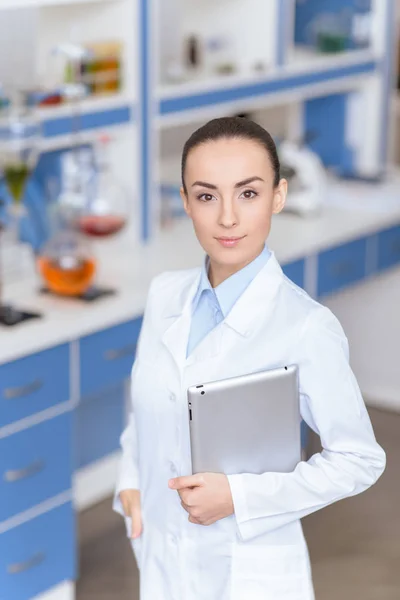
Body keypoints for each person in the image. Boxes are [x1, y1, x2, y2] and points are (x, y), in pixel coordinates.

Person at [113, 116, 386, 600]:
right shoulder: (163, 296)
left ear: (278, 196)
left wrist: (238, 497)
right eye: (206, 195)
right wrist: (131, 482)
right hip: (161, 558)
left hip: (248, 572)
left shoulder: (305, 325)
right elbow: (146, 404)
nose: (227, 218)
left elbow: (359, 460)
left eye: (248, 193)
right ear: (184, 202)